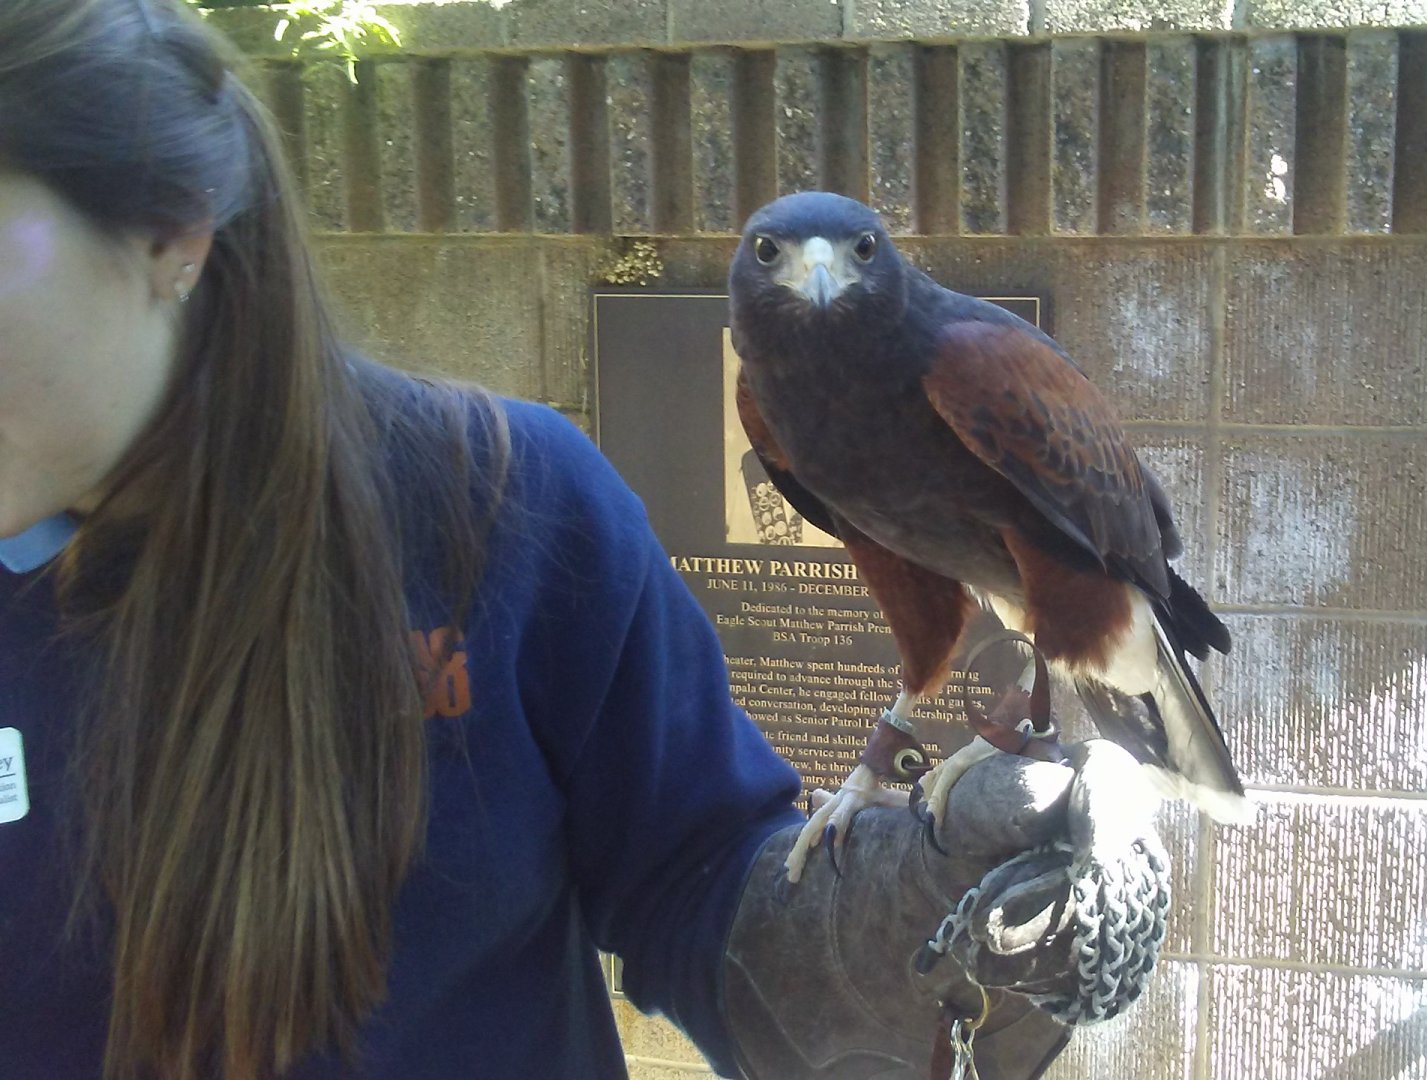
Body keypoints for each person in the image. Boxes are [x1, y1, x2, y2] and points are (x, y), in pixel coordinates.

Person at [0, 1, 1167, 1078]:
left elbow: (699, 885)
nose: (816, 280)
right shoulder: (778, 406)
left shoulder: (503, 507)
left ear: (172, 231)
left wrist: (895, 931)